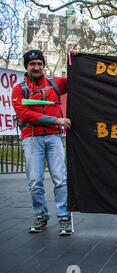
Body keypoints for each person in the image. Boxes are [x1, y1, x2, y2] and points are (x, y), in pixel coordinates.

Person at [12, 49, 79, 236]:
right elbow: (25, 114)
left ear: (44, 65)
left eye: (39, 64)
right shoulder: (19, 89)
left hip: (53, 137)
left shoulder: (54, 83)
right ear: (27, 66)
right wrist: (56, 121)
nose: (36, 67)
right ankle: (41, 215)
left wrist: (75, 58)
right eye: (32, 64)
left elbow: (78, 77)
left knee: (60, 179)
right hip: (31, 138)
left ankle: (64, 217)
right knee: (35, 181)